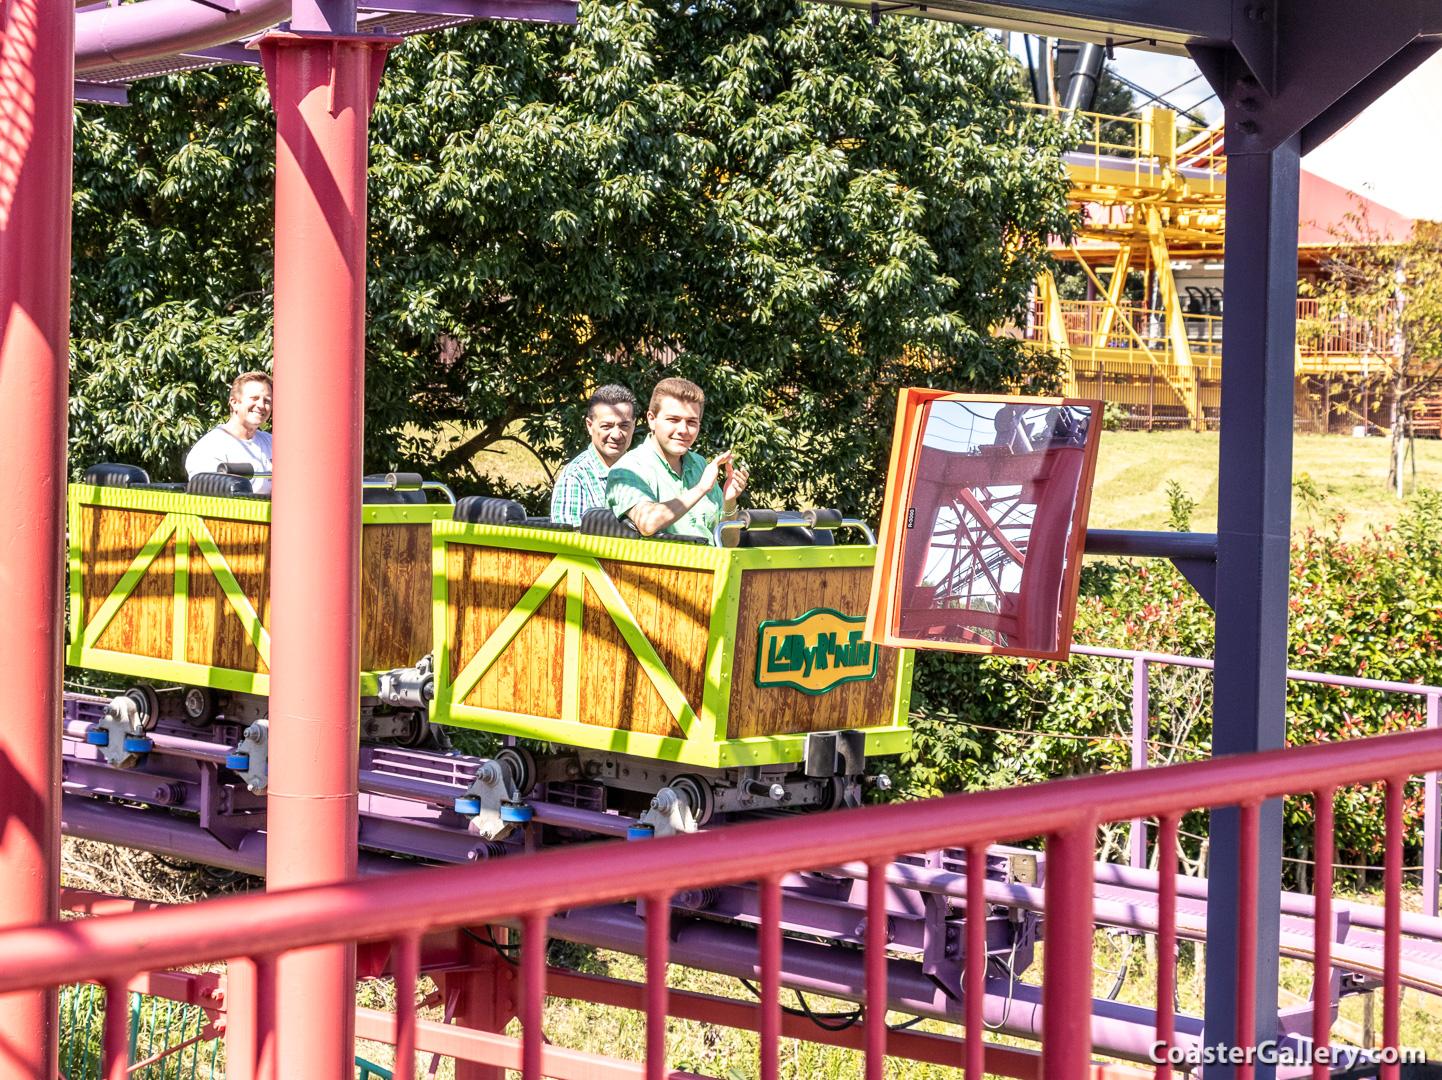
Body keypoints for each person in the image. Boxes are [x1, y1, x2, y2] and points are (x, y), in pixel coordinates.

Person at [606, 377, 747, 543]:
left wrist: (729, 502)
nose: (683, 430)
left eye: (691, 422)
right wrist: (701, 488)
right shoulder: (627, 468)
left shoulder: (699, 464)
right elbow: (647, 523)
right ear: (652, 419)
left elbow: (729, 543)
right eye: (673, 420)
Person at [549, 384, 639, 526]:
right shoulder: (575, 477)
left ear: (634, 425)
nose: (616, 435)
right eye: (606, 426)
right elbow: (567, 543)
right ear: (590, 426)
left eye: (624, 426)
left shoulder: (644, 470)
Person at [185, 371, 274, 493]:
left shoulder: (272, 443)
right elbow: (210, 499)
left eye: (267, 401)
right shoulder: (210, 447)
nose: (261, 405)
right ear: (234, 403)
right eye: (255, 398)